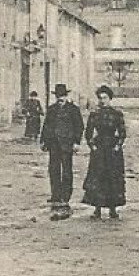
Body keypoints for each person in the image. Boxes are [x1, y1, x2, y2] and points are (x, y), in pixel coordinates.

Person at [39, 83, 86, 221]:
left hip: (67, 144)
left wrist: (77, 142)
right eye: (58, 96)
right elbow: (46, 125)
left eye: (62, 96)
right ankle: (55, 195)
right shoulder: (52, 109)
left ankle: (65, 196)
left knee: (66, 170)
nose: (60, 98)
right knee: (53, 169)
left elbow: (79, 126)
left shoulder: (73, 110)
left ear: (66, 96)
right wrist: (43, 141)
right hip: (53, 144)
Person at [82, 84, 129, 221]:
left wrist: (118, 146)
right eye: (100, 98)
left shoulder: (116, 114)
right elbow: (88, 133)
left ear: (110, 98)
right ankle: (97, 209)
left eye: (105, 98)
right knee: (98, 177)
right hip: (99, 149)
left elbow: (122, 133)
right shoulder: (94, 115)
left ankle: (113, 209)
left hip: (112, 150)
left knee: (113, 178)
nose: (102, 101)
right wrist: (92, 146)